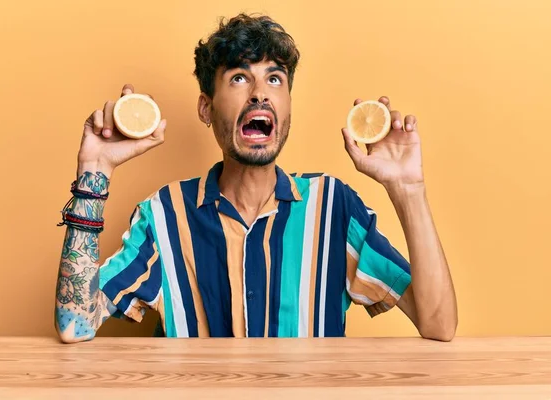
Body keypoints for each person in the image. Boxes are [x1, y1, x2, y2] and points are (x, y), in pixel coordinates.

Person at [54, 13, 457, 342]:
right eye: (240, 77)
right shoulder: (163, 215)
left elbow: (438, 324)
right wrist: (94, 172)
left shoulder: (334, 208)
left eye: (275, 78)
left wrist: (408, 189)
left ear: (288, 105)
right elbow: (76, 325)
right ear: (206, 108)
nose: (260, 93)